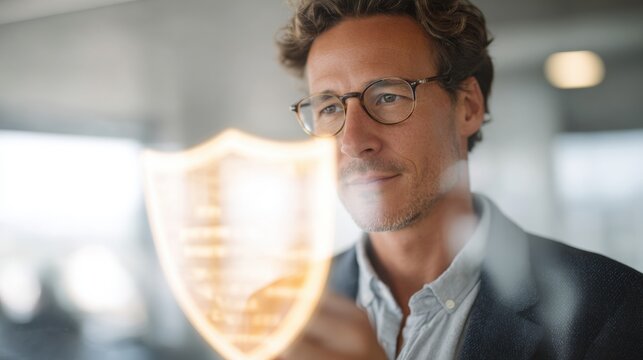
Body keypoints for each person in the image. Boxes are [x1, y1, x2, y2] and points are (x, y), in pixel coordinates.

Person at [275, 0, 643, 359]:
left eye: (388, 96)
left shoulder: (613, 310)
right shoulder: (280, 311)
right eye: (328, 108)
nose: (353, 142)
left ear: (468, 106)